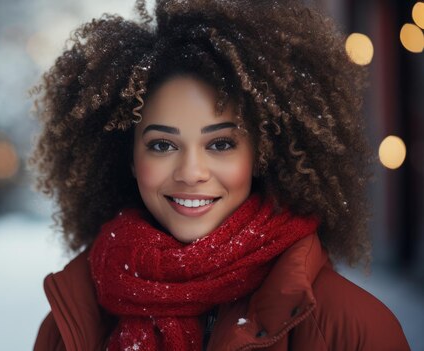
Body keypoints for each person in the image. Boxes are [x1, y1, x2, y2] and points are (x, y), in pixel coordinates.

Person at [29, 0, 411, 350]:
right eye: (162, 145)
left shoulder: (353, 328)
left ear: (262, 154)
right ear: (128, 158)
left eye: (221, 144)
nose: (192, 172)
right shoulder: (70, 325)